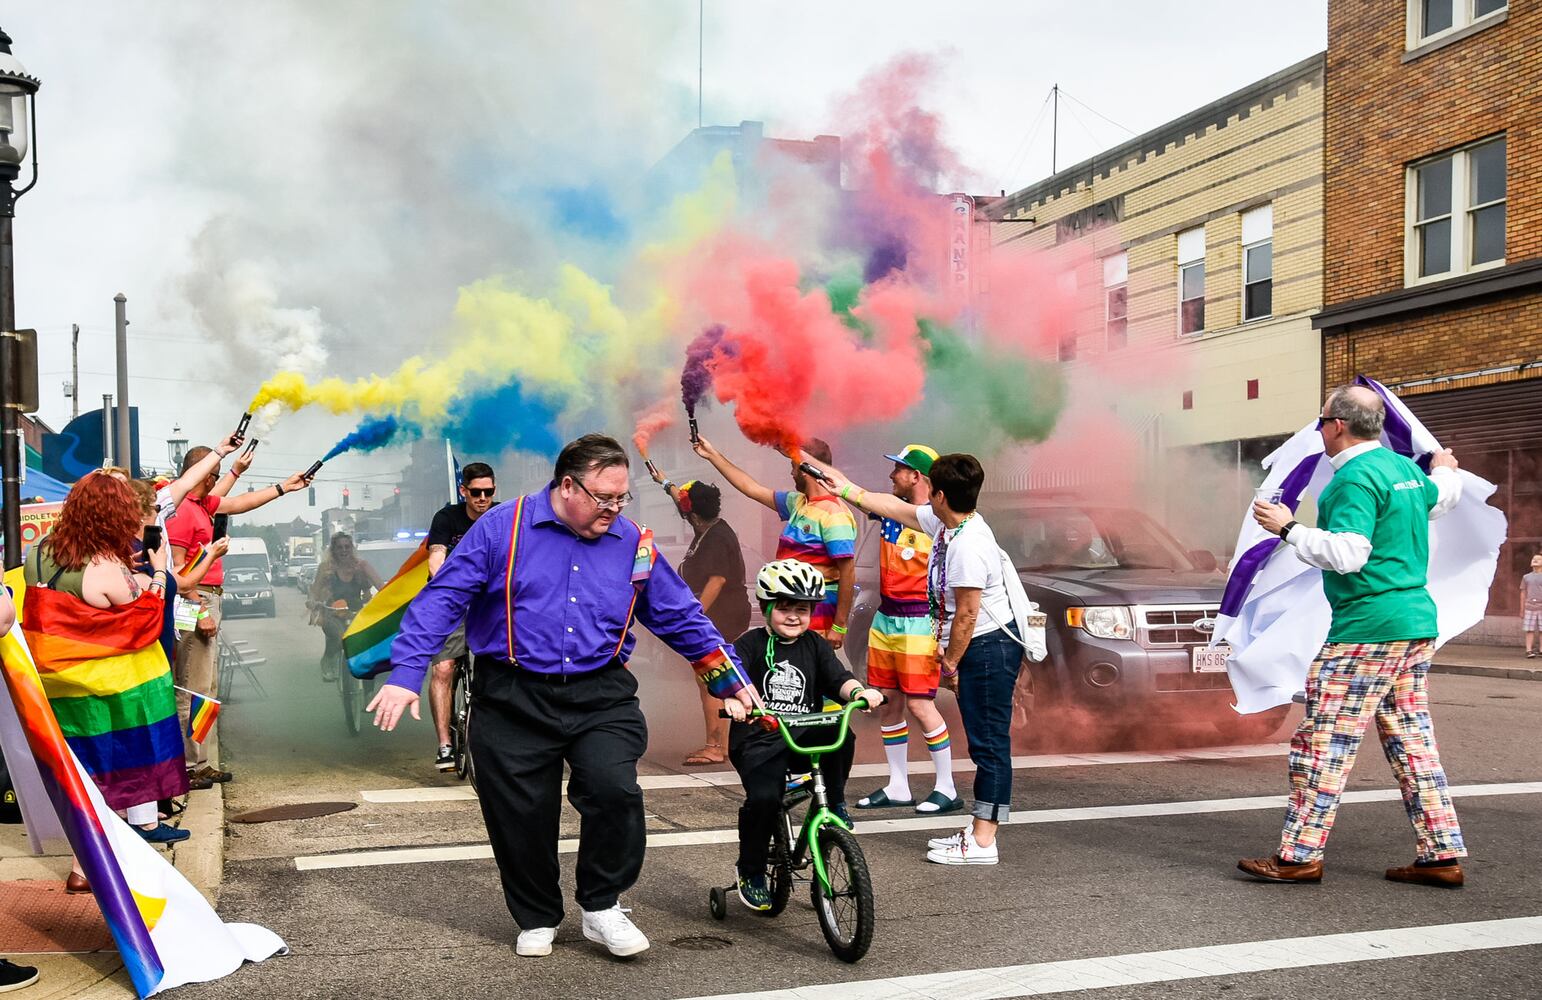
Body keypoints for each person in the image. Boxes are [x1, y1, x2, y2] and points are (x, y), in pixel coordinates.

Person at [367, 434, 758, 960]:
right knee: (520, 814)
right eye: (604, 498)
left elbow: (677, 612)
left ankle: (601, 906)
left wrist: (729, 678)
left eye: (622, 499)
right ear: (567, 485)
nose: (615, 509)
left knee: (614, 790)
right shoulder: (500, 529)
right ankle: (536, 914)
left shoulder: (632, 542)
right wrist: (405, 670)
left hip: (601, 694)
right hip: (511, 694)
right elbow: (443, 599)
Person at [1240, 384, 1467, 887]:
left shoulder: (1351, 481)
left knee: (1323, 742)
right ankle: (1441, 853)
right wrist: (1445, 466)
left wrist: (1286, 528)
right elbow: (1443, 498)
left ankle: (1298, 856)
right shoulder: (1404, 470)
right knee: (1412, 741)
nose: (1320, 430)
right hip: (1414, 624)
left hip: (1367, 628)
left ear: (1336, 426)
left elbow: (1348, 554)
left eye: (1321, 422)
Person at [819, 453, 1019, 866]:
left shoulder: (967, 544)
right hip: (981, 645)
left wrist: (950, 663)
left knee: (989, 745)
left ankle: (983, 842)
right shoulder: (951, 524)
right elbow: (895, 507)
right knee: (986, 742)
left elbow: (967, 612)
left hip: (988, 646)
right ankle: (980, 831)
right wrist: (845, 488)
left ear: (940, 495)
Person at [22, 472, 187, 894]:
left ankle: (82, 867)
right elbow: (142, 616)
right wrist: (159, 571)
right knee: (116, 776)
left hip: (58, 686)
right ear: (112, 516)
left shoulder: (38, 552)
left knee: (83, 779)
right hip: (105, 689)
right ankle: (108, 868)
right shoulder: (106, 566)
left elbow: (70, 603)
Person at [729, 559, 880, 909]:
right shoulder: (750, 644)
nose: (794, 616)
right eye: (784, 608)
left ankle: (836, 802)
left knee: (842, 734)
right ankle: (750, 870)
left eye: (802, 608)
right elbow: (730, 677)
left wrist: (859, 693)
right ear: (766, 607)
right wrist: (733, 700)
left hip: (802, 732)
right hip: (759, 740)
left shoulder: (815, 644)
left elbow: (838, 678)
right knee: (765, 800)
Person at [168, 446, 314, 789]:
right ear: (201, 473)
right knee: (193, 686)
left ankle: (198, 762)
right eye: (214, 475)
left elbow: (242, 502)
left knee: (204, 687)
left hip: (205, 596)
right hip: (196, 596)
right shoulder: (186, 512)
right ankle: (190, 765)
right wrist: (201, 610)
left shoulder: (199, 504)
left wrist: (283, 487)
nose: (217, 482)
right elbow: (175, 570)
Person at [851, 445, 960, 816]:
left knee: (919, 703)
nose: (891, 475)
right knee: (888, 702)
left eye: (898, 469)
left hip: (918, 619)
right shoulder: (890, 512)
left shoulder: (936, 520)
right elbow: (848, 489)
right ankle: (898, 785)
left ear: (916, 476)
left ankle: (946, 786)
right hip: (886, 618)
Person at [693, 436, 857, 647]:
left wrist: (839, 626)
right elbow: (751, 488)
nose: (791, 473)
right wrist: (712, 455)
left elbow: (848, 572)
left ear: (805, 468)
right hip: (789, 608)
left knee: (808, 674)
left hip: (815, 612)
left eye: (793, 466)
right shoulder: (799, 503)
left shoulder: (834, 514)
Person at [646, 471, 751, 766]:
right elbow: (682, 498)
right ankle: (721, 743)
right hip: (720, 615)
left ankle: (715, 746)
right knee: (711, 678)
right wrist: (664, 482)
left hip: (723, 616)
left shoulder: (716, 537)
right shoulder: (708, 527)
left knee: (712, 678)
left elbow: (716, 581)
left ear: (690, 514)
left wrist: (694, 619)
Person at [423, 462, 500, 770]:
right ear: (464, 491)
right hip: (451, 601)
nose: (483, 498)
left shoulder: (502, 516)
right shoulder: (446, 518)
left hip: (490, 603)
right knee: (443, 669)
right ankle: (444, 744)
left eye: (489, 492)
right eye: (476, 492)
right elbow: (436, 558)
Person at [308, 533, 385, 681]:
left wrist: (389, 596)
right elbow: (315, 590)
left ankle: (366, 683)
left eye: (347, 547)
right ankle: (328, 658)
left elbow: (381, 586)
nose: (344, 550)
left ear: (352, 548)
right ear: (333, 550)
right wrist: (312, 601)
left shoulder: (362, 566)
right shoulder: (325, 568)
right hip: (332, 612)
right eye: (339, 547)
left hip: (357, 611)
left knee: (367, 643)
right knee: (339, 638)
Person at [1522, 553, 1542, 659]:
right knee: (1529, 630)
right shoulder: (1526, 577)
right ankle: (1528, 650)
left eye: (1538, 559)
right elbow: (1523, 592)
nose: (1535, 560)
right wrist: (1521, 609)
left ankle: (1541, 650)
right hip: (1530, 606)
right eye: (1533, 558)